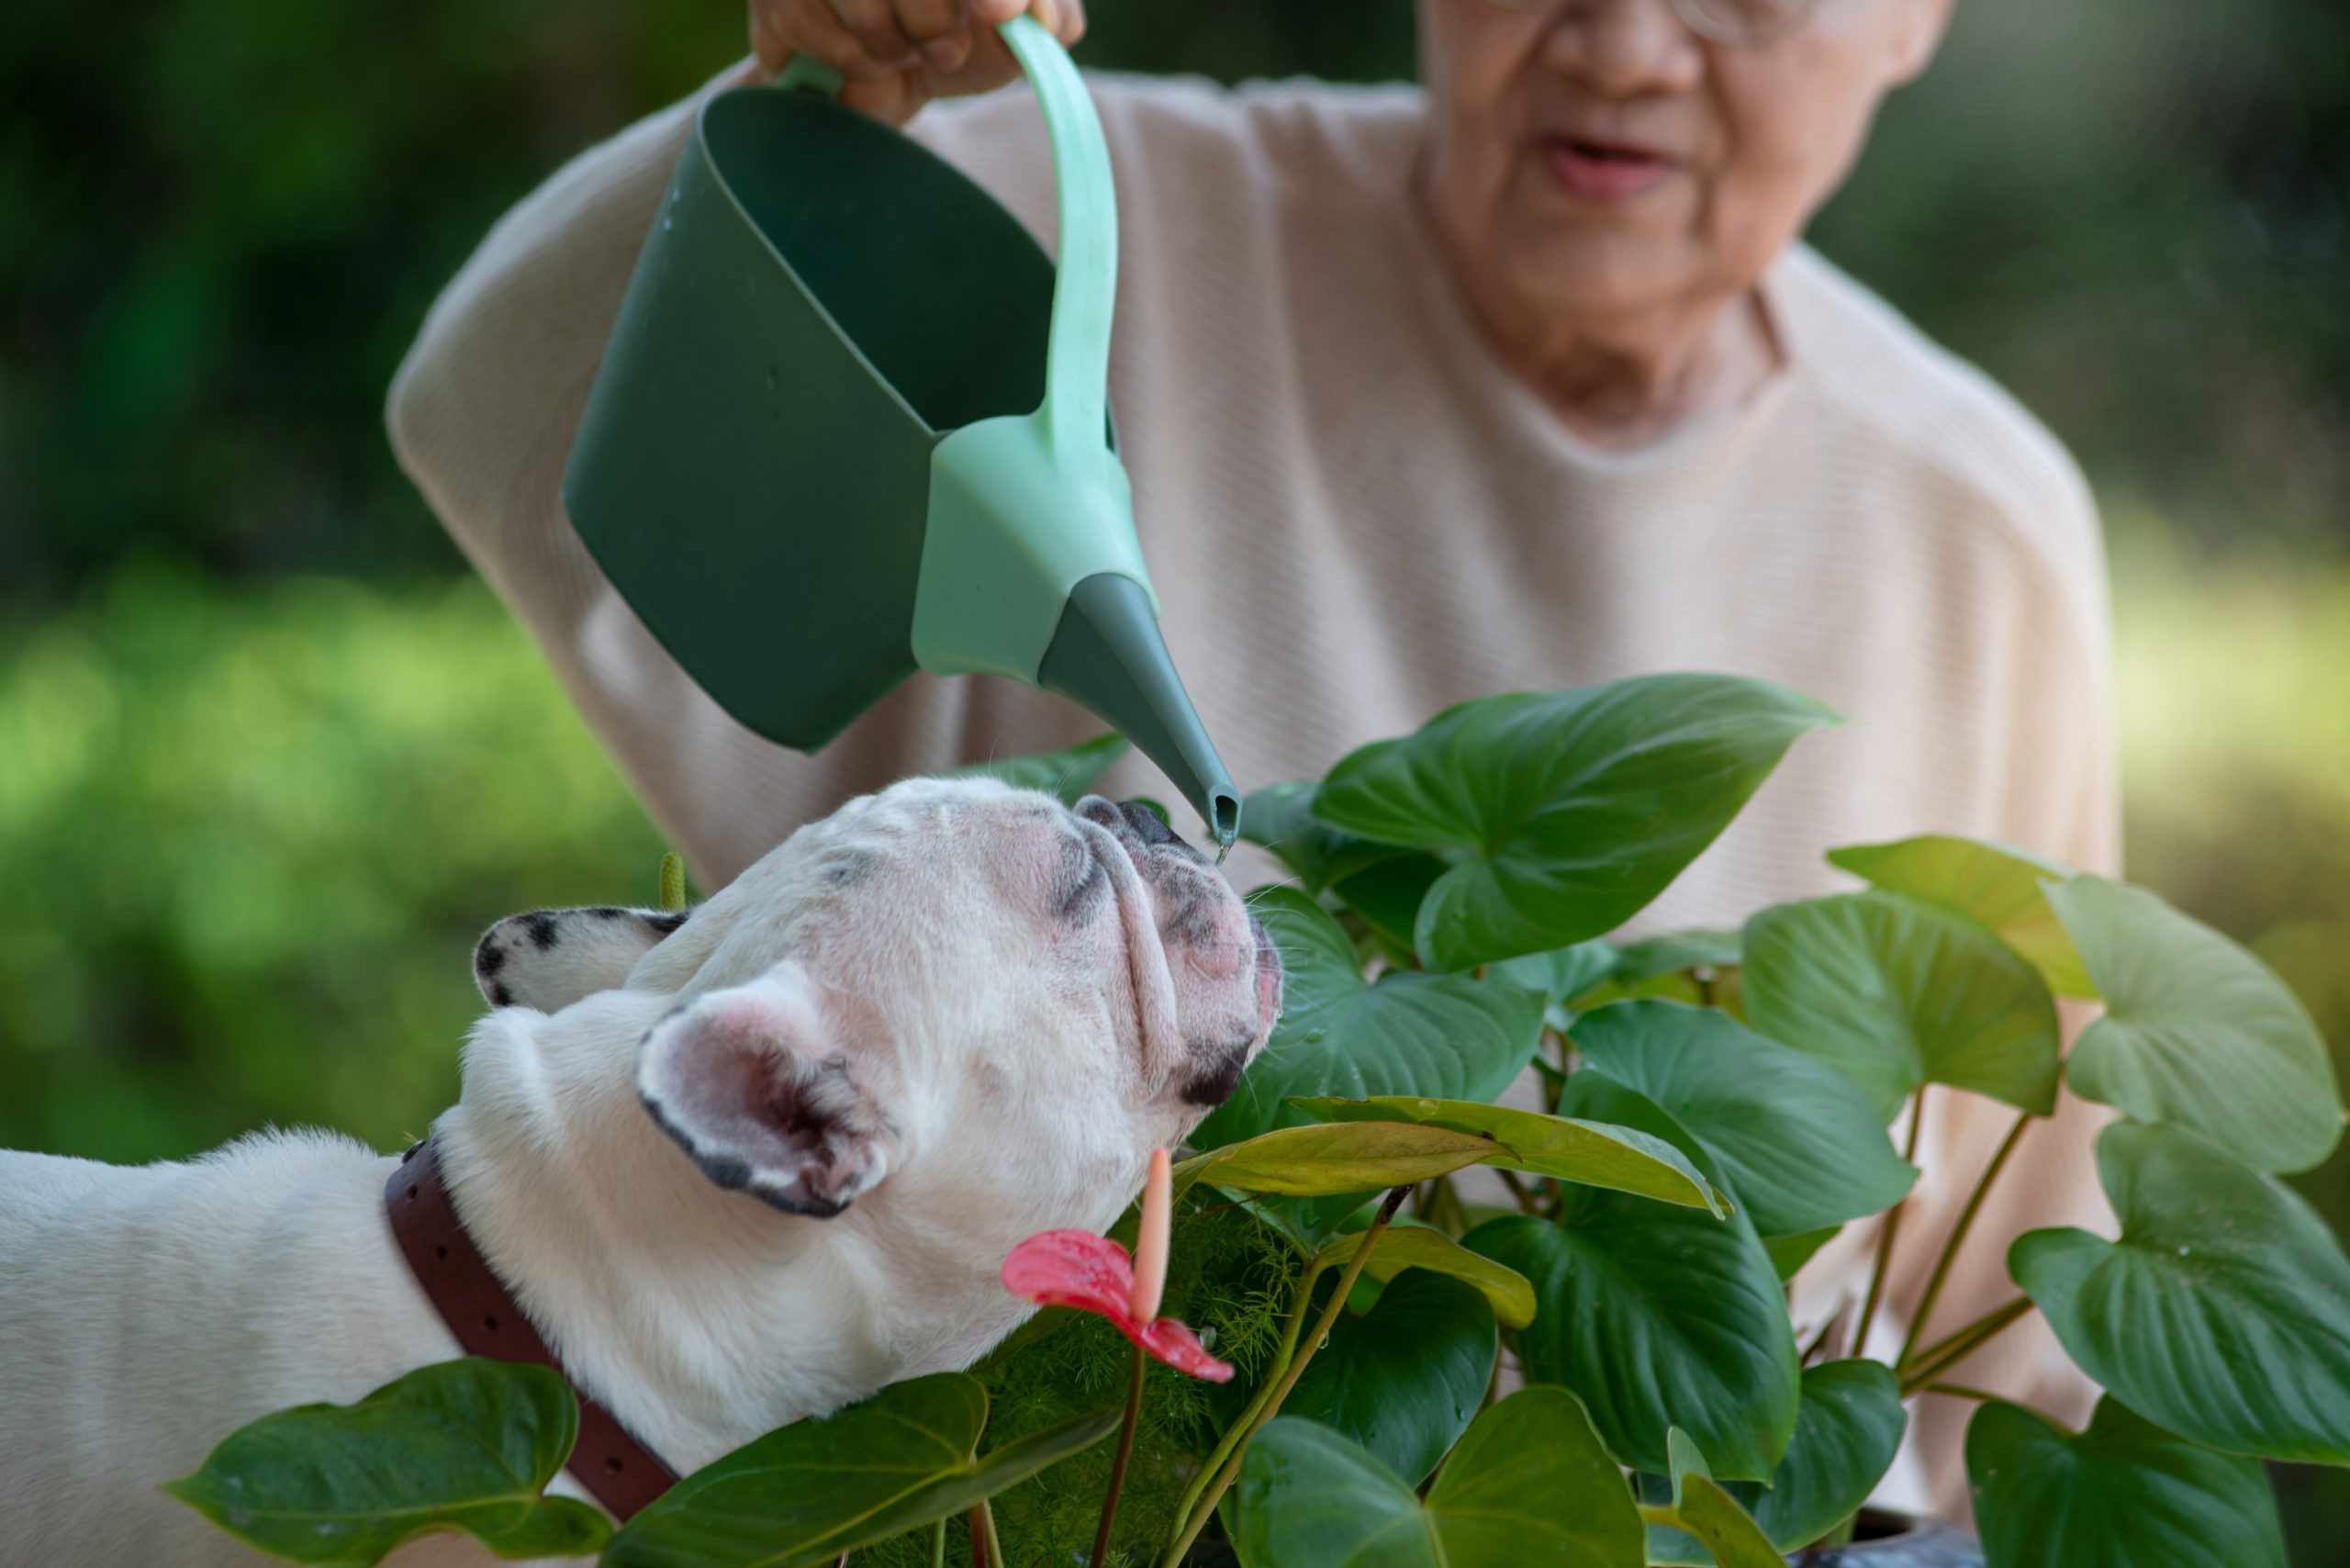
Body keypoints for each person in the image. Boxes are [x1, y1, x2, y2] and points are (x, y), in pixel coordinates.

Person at [387, 0, 2115, 1521]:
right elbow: (496, 414)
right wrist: (815, 102)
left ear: (1918, 15)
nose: (1623, 42)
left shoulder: (1980, 533)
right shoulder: (1091, 235)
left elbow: (2011, 1368)